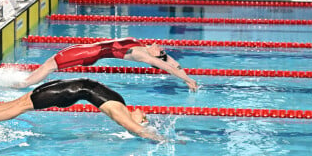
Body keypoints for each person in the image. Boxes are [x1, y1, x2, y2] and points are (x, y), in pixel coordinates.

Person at [0, 78, 165, 141]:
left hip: (64, 92)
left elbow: (135, 129)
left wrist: (161, 139)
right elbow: (138, 127)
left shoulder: (120, 113)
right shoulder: (121, 105)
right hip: (65, 87)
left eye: (144, 118)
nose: (144, 114)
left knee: (22, 106)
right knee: (22, 100)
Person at [16, 37, 198, 91]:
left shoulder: (142, 55)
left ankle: (21, 84)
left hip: (87, 53)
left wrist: (187, 80)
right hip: (88, 50)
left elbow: (166, 65)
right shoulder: (143, 47)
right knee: (49, 64)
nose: (160, 47)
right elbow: (170, 61)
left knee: (49, 65)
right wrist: (184, 72)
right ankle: (23, 82)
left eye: (160, 51)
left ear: (155, 58)